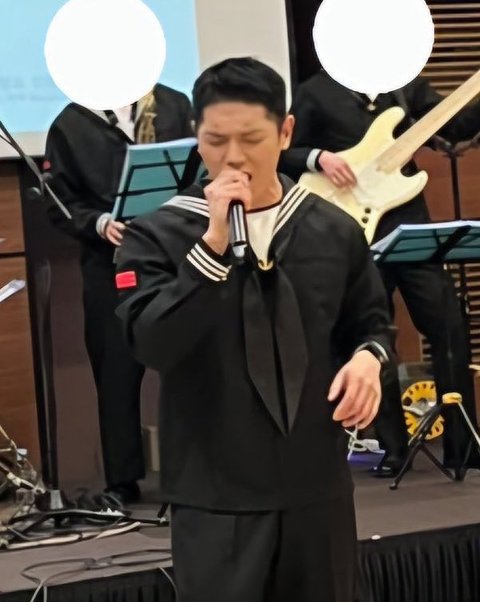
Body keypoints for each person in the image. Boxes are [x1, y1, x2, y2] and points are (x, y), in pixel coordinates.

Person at [115, 57, 393, 602]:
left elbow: (372, 324)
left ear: (286, 132)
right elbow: (151, 343)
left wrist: (369, 358)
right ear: (195, 137)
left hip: (317, 487)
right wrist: (212, 248)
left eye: (251, 139)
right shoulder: (156, 236)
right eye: (216, 140)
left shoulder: (332, 229)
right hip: (216, 496)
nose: (234, 157)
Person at [280, 68, 480, 476]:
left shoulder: (404, 83)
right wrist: (318, 158)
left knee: (449, 326)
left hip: (410, 226)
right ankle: (393, 449)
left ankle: (463, 447)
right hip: (352, 231)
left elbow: (454, 127)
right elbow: (283, 152)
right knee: (371, 336)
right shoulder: (314, 91)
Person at [43, 82, 193, 503]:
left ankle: (194, 469)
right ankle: (122, 480)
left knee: (191, 366)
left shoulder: (173, 104)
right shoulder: (71, 123)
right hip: (109, 264)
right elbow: (58, 201)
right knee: (116, 374)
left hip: (177, 256)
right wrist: (98, 223)